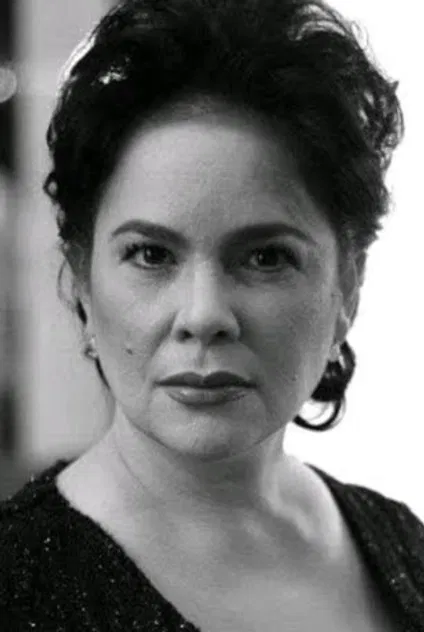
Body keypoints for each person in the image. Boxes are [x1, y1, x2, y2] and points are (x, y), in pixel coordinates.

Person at [1, 0, 423, 629]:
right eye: (151, 255)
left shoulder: (404, 545)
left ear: (348, 286)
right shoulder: (16, 586)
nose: (203, 315)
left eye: (266, 257)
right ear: (83, 281)